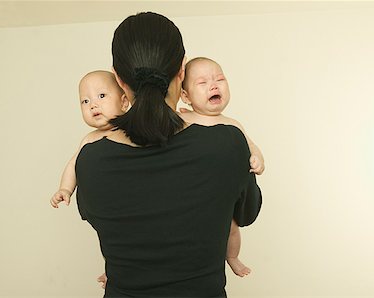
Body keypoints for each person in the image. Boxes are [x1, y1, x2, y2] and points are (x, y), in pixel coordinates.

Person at [75, 12, 261, 297]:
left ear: (118, 79)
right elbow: (246, 214)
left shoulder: (89, 161)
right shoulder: (228, 142)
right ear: (182, 70)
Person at [180, 56, 265, 277]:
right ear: (185, 96)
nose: (214, 85)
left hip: (224, 196)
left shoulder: (232, 124)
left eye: (220, 79)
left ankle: (232, 257)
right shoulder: (184, 119)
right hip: (196, 194)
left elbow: (251, 145)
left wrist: (257, 159)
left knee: (231, 228)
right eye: (202, 82)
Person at [50, 70, 129, 209]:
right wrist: (65, 189)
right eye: (85, 101)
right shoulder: (90, 139)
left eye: (102, 96)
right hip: (106, 203)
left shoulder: (132, 129)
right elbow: (73, 165)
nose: (93, 105)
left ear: (124, 102)